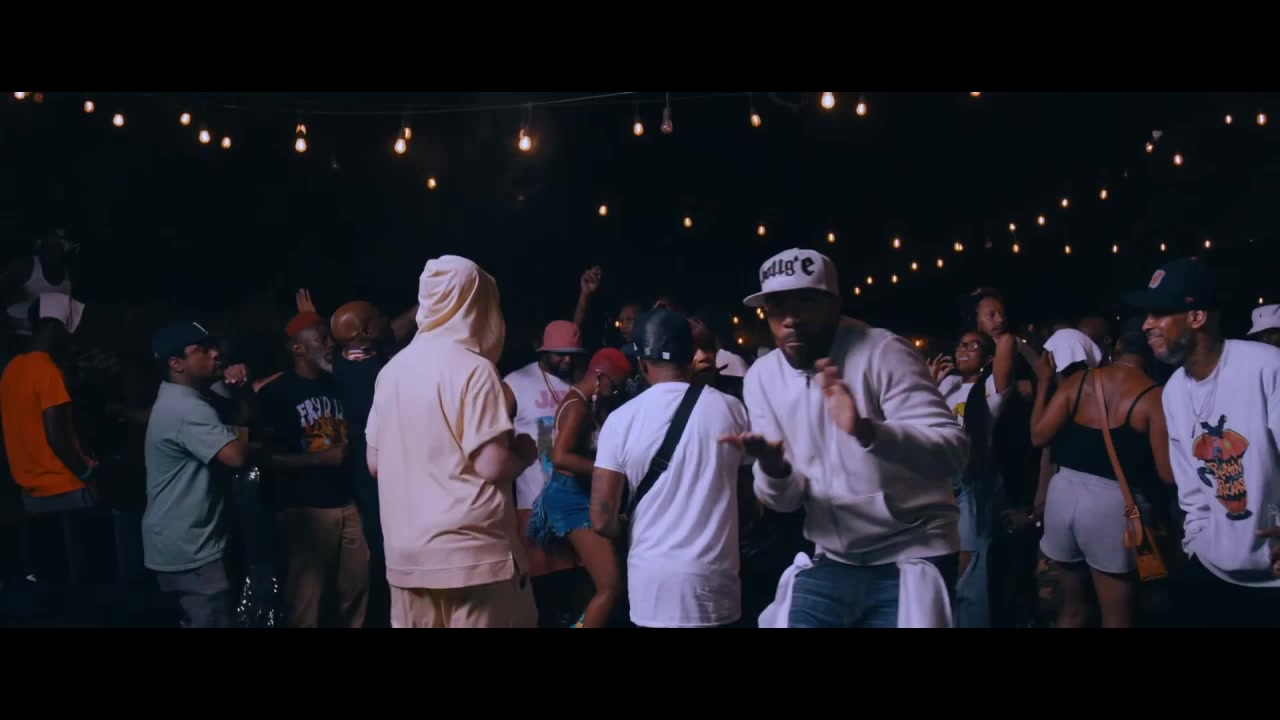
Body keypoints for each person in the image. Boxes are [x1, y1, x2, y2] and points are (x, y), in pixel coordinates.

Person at [723, 248, 967, 628]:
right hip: (833, 556)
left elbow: (955, 452)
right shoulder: (762, 377)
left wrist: (869, 432)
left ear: (833, 304)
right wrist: (773, 468)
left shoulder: (883, 351)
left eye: (805, 302)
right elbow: (786, 503)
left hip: (913, 551)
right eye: (777, 306)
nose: (790, 319)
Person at [366, 255, 539, 628]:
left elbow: (375, 464)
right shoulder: (474, 369)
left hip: (406, 557)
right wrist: (525, 453)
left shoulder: (390, 372)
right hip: (473, 558)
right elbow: (491, 464)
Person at [1128, 258, 1280, 627]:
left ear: (1196, 317)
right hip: (1212, 570)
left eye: (1160, 313)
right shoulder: (1173, 392)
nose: (1147, 324)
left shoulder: (1266, 367)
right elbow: (1190, 489)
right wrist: (1196, 543)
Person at [590, 309, 751, 628]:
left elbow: (601, 519)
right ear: (691, 355)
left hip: (652, 585)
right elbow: (747, 501)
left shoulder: (621, 421)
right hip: (716, 583)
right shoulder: (732, 410)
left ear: (641, 363)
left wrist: (628, 527)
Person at [1029, 323, 1170, 628]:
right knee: (1117, 618)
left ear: (1116, 348)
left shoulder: (1080, 381)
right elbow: (1167, 474)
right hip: (1111, 506)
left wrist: (1043, 382)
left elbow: (1038, 436)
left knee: (1073, 610)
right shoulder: (1154, 396)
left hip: (1062, 496)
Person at [256, 311, 369, 628]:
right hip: (303, 508)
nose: (330, 344)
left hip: (346, 501)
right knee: (307, 600)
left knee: (357, 588)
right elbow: (263, 457)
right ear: (298, 348)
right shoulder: (276, 393)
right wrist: (318, 459)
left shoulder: (338, 385)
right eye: (322, 339)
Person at [142, 322, 256, 628]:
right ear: (176, 363)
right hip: (191, 545)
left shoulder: (186, 397)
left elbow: (242, 422)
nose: (215, 354)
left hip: (182, 537)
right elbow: (236, 456)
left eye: (214, 347)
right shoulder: (186, 408)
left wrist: (241, 391)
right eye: (203, 350)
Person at [526, 347, 632, 627]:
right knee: (611, 586)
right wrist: (606, 470)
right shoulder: (577, 408)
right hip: (570, 499)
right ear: (599, 378)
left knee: (593, 581)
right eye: (614, 387)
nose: (615, 394)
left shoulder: (583, 402)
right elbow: (560, 457)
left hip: (576, 494)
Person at [0, 293, 96, 584]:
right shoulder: (47, 371)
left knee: (50, 586)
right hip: (66, 489)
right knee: (84, 586)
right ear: (55, 327)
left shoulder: (12, 370)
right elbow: (56, 436)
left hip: (31, 494)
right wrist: (87, 473)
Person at [928, 329, 1013, 627]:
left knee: (970, 565)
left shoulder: (989, 387)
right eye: (960, 344)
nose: (962, 350)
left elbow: (1007, 345)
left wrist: (994, 325)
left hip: (972, 481)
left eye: (972, 346)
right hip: (939, 481)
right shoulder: (947, 384)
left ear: (989, 358)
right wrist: (931, 385)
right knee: (938, 563)